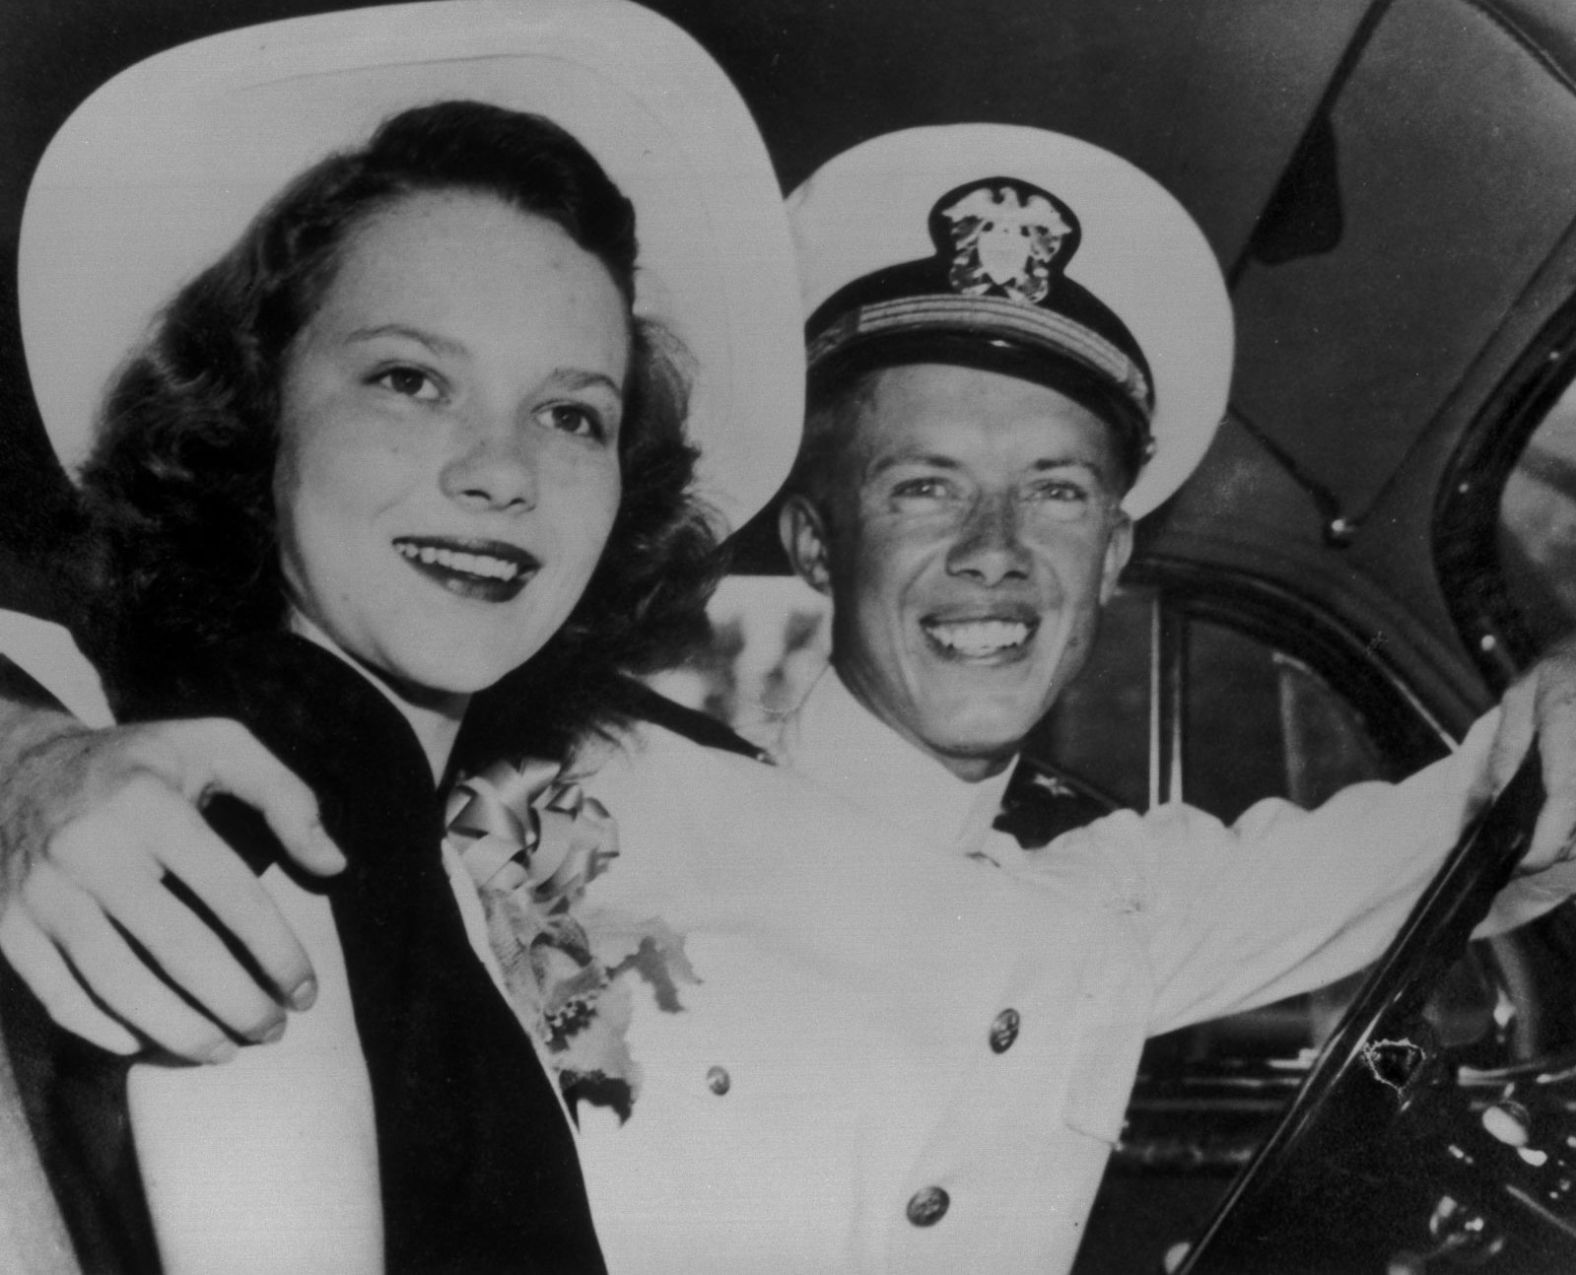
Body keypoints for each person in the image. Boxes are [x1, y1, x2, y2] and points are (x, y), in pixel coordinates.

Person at [5, 105, 1576, 1275]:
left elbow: (1490, 811)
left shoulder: (1118, 897)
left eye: (1057, 494)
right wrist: (25, 756)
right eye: (922, 488)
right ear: (814, 537)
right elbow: (132, 681)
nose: (994, 556)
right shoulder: (530, 773)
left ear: (1117, 559)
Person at [0, 2, 803, 1271]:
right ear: (259, 419)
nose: (501, 471)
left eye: (572, 414)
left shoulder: (392, 835)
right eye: (409, 379)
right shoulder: (258, 840)